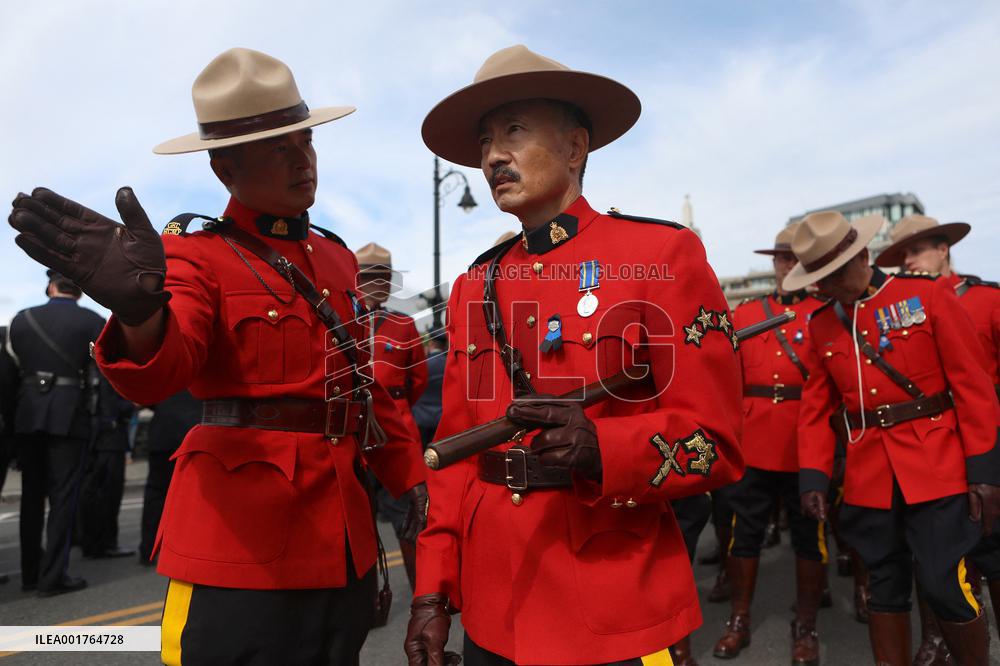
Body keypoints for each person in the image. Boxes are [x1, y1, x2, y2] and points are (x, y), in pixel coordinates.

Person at [8, 47, 426, 665]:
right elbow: (166, 370)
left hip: (342, 540)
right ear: (224, 168)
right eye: (277, 148)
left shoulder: (336, 259)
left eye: (304, 141)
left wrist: (414, 485)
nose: (301, 159)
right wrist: (139, 314)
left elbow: (362, 389)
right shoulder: (195, 257)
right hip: (240, 549)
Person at [405, 44, 744, 665]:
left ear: (575, 147)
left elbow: (715, 441)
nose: (492, 156)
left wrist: (605, 450)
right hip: (493, 603)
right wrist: (432, 591)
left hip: (614, 596)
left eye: (512, 131)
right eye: (484, 141)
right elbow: (457, 447)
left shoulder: (661, 256)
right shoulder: (473, 285)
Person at [787, 210, 1000, 665]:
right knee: (883, 587)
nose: (827, 287)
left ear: (862, 255)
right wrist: (813, 479)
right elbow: (815, 408)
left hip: (938, 468)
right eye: (819, 278)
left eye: (835, 273)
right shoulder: (823, 322)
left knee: (946, 584)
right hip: (869, 476)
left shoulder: (926, 296)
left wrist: (984, 470)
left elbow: (973, 388)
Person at [875, 213, 1000, 659]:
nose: (908, 260)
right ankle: (936, 638)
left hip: (989, 436)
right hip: (937, 444)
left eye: (915, 250)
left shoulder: (985, 299)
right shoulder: (901, 307)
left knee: (993, 550)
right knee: (936, 559)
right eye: (901, 254)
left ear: (943, 249)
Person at [711, 224, 827, 665]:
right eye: (782, 258)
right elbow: (728, 378)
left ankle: (807, 626)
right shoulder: (747, 314)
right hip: (755, 440)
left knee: (809, 538)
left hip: (806, 442)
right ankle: (739, 619)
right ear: (774, 264)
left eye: (797, 258)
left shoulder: (825, 313)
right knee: (745, 534)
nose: (788, 266)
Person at [7, 270, 104, 596]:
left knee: (31, 497)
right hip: (69, 413)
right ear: (79, 291)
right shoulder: (93, 321)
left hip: (28, 413)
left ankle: (30, 574)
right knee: (63, 498)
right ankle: (53, 578)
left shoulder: (22, 319)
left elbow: (12, 372)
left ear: (51, 286)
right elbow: (102, 372)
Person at [355, 241, 428, 590]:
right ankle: (366, 600)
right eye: (369, 276)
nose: (376, 283)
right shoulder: (338, 320)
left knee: (409, 521)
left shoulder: (403, 324)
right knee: (357, 524)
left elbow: (418, 380)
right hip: (351, 436)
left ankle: (422, 601)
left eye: (382, 276)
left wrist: (392, 411)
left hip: (396, 434)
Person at [138, 389, 201, 565]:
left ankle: (149, 548)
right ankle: (186, 550)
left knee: (156, 494)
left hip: (164, 430)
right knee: (194, 497)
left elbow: (145, 396)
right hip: (193, 431)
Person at [79, 376, 135, 559]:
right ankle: (106, 542)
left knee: (91, 491)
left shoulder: (90, 369)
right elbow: (115, 407)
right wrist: (133, 404)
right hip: (110, 438)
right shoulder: (110, 371)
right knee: (110, 494)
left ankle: (89, 540)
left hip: (91, 437)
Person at [411, 332, 447, 448]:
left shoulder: (422, 364)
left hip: (420, 417)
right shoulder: (449, 364)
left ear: (431, 343)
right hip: (441, 419)